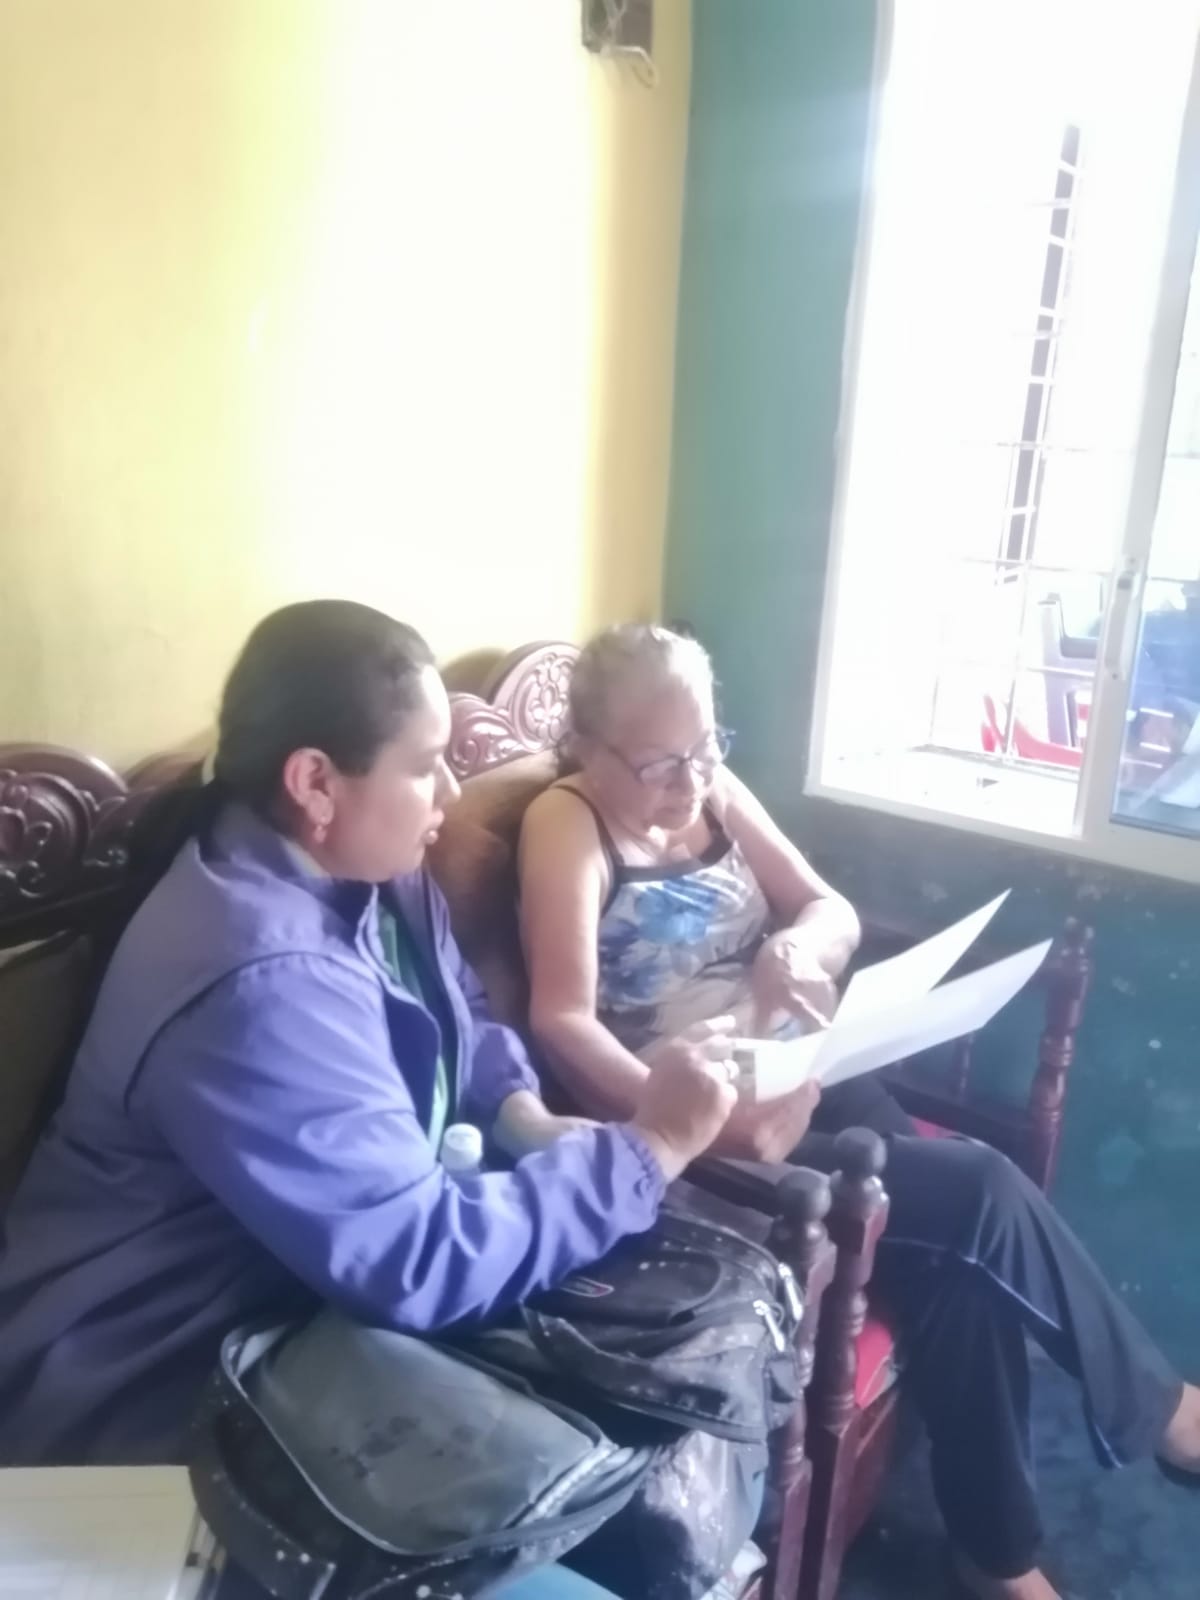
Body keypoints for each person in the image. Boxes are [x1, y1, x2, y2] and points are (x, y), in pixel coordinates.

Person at [0, 601, 745, 1600]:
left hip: (309, 1318)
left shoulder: (370, 867)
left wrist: (518, 1111)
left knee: (649, 1463)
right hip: (151, 1390)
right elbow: (417, 1259)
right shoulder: (255, 982)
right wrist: (647, 1149)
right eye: (426, 763)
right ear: (315, 781)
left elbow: (460, 1006)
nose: (453, 790)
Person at [518, 622, 1200, 1600]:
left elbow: (827, 907)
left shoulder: (712, 787)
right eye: (660, 764)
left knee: (959, 1263)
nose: (689, 781)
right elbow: (562, 1021)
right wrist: (678, 1125)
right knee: (980, 1187)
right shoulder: (568, 823)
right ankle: (1161, 1417)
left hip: (812, 1067)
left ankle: (996, 1556)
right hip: (722, 1127)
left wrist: (794, 949)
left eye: (706, 748)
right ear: (589, 748)